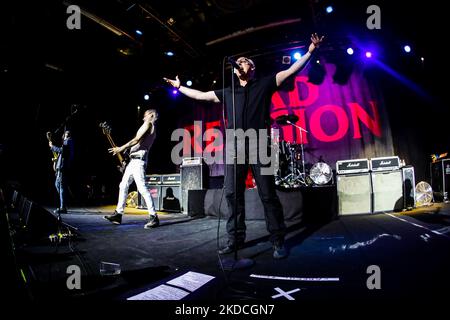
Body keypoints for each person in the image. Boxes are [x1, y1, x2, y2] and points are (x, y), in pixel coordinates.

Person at [164, 33, 324, 259]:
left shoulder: (265, 83)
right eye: (238, 62)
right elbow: (201, 95)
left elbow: (291, 71)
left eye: (244, 61)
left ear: (252, 68)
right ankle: (235, 239)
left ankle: (277, 240)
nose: (239, 63)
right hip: (234, 146)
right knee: (232, 194)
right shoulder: (228, 91)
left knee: (267, 194)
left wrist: (309, 52)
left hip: (260, 144)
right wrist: (180, 88)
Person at [104, 109, 160, 229]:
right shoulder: (151, 128)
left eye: (145, 115)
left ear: (151, 115)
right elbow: (139, 143)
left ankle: (154, 217)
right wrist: (127, 150)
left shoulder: (149, 124)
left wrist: (121, 148)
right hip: (134, 161)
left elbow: (136, 139)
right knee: (123, 185)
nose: (143, 118)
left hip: (138, 161)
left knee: (142, 188)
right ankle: (118, 214)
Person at [49, 130, 74, 214]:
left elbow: (62, 151)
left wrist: (52, 146)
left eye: (65, 134)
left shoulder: (68, 141)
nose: (63, 135)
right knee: (58, 185)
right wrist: (56, 159)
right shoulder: (66, 143)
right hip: (61, 167)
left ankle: (63, 207)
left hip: (63, 168)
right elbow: (63, 153)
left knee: (61, 186)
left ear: (66, 135)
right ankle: (63, 203)